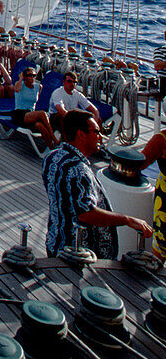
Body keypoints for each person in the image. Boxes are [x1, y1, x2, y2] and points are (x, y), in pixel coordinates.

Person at [43, 110, 152, 257]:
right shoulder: (79, 170)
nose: (100, 137)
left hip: (55, 241)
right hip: (77, 254)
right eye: (96, 132)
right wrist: (127, 220)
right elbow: (86, 214)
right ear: (81, 135)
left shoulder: (51, 158)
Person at [13, 66, 57, 148]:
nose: (32, 77)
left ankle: (52, 148)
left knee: (40, 126)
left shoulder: (38, 87)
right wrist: (20, 79)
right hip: (20, 114)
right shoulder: (19, 84)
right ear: (25, 76)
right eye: (30, 75)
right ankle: (54, 138)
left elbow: (34, 101)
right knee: (42, 113)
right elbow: (16, 90)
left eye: (34, 75)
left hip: (31, 114)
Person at [48, 71, 101, 136]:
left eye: (74, 82)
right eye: (69, 81)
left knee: (97, 118)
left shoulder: (78, 94)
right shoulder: (57, 93)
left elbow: (94, 110)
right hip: (55, 119)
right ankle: (66, 138)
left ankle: (96, 138)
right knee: (61, 116)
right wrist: (75, 122)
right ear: (64, 82)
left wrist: (94, 124)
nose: (72, 84)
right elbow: (61, 111)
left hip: (70, 118)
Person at [141, 128, 166, 260]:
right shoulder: (161, 139)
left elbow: (139, 164)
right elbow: (140, 163)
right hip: (165, 200)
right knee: (162, 243)